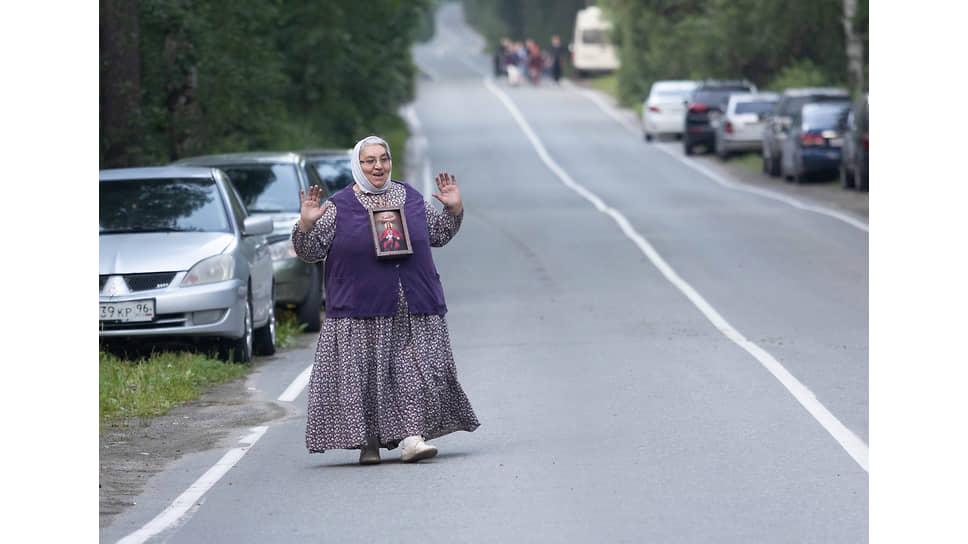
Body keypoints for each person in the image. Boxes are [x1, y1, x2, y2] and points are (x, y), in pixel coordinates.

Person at [292, 135, 480, 464]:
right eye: (369, 161)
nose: (378, 166)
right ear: (358, 165)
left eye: (384, 159)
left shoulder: (410, 197)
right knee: (367, 377)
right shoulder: (338, 206)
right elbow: (311, 252)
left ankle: (412, 438)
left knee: (414, 372)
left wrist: (454, 210)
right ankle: (370, 442)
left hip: (414, 305)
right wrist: (306, 225)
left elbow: (437, 234)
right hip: (360, 309)